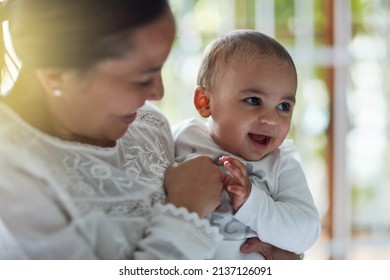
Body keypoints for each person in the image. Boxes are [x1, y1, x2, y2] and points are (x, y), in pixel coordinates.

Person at [0, 0, 229, 260]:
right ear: (57, 75)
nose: (158, 92)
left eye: (160, 68)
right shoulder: (11, 180)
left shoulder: (149, 125)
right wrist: (187, 209)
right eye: (142, 78)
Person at [172, 30, 321, 259]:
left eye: (284, 106)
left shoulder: (282, 164)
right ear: (205, 102)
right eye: (254, 100)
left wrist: (252, 202)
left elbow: (306, 232)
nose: (271, 119)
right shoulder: (182, 138)